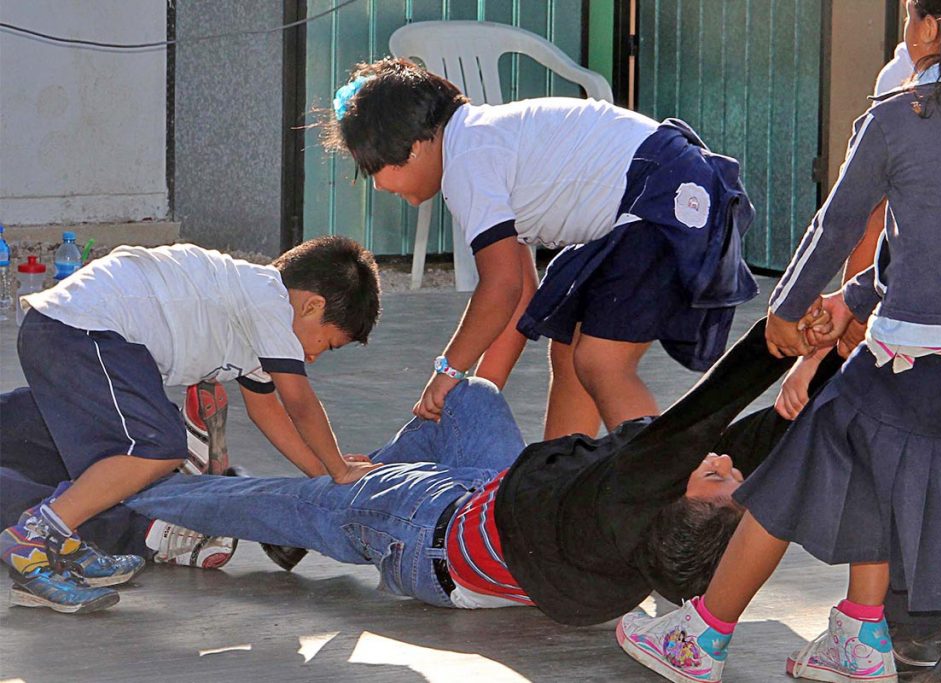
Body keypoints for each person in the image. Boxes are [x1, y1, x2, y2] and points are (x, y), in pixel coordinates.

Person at [616, 1, 941, 681]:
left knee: (782, 485)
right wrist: (855, 299)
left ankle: (702, 639)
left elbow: (835, 227)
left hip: (908, 360)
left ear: (928, 27)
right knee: (873, 471)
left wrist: (787, 310)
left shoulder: (895, 120)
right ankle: (861, 636)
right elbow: (937, 252)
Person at [19, 319, 817, 622]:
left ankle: (112, 490)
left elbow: (696, 421)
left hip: (415, 529)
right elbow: (749, 443)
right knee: (468, 396)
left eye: (714, 478)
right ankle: (353, 474)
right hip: (498, 503)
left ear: (677, 498)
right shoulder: (654, 533)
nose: (718, 460)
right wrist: (835, 366)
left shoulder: (623, 501)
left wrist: (774, 345)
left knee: (269, 500)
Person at [322, 57, 759, 440]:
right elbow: (521, 297)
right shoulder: (477, 140)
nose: (378, 185)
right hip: (652, 196)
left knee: (601, 361)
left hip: (661, 198)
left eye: (375, 168)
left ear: (415, 147)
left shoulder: (467, 159)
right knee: (567, 347)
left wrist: (448, 371)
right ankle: (557, 481)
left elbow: (500, 287)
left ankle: (671, 495)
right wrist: (476, 394)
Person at [0, 236, 382, 614]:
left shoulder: (252, 322)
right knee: (156, 445)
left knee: (114, 457)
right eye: (327, 343)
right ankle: (36, 536)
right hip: (82, 331)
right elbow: (298, 402)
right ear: (312, 305)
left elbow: (268, 411)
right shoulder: (269, 299)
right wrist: (340, 467)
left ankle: (56, 545)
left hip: (64, 331)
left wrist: (323, 476)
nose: (313, 357)